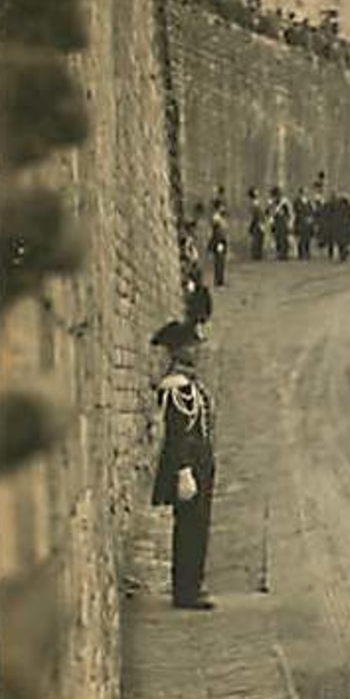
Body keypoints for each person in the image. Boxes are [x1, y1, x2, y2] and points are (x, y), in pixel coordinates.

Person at [151, 320, 217, 610]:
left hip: (200, 460)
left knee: (197, 525)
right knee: (189, 527)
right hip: (189, 461)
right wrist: (183, 470)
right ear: (178, 351)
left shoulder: (189, 384)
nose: (197, 351)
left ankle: (193, 584)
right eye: (191, 346)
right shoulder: (176, 387)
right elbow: (178, 434)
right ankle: (186, 590)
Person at [207, 205, 229, 287]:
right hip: (219, 242)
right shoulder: (217, 218)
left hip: (221, 242)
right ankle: (218, 280)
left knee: (221, 261)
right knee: (219, 261)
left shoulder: (221, 219)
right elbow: (215, 232)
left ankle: (219, 279)